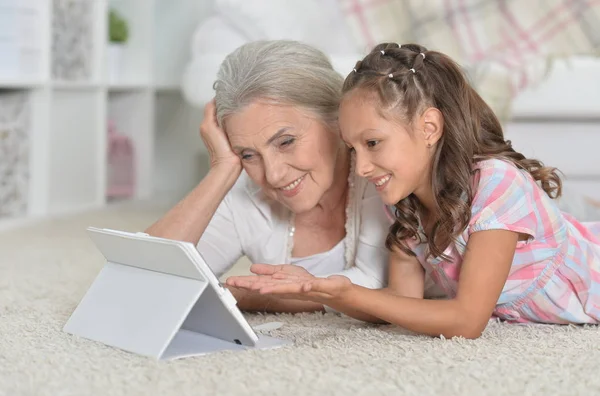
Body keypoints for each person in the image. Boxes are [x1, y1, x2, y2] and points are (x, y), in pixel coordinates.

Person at [226, 43, 600, 338]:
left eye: (372, 143)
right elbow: (401, 304)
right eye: (352, 148)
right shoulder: (406, 209)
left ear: (429, 128)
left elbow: (467, 321)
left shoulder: (495, 184)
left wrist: (347, 294)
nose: (361, 167)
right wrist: (325, 291)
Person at [145, 40, 433, 314]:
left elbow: (376, 284)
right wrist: (222, 168)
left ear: (337, 119)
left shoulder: (378, 172)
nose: (273, 175)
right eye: (247, 154)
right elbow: (144, 277)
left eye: (285, 142)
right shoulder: (248, 195)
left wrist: (248, 296)